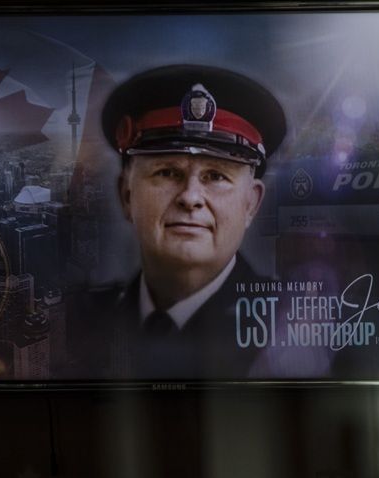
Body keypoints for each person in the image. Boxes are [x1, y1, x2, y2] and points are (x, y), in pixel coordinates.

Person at [97, 64, 286, 378]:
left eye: (216, 176)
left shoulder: (288, 325)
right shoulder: (86, 322)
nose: (190, 197)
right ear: (127, 195)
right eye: (167, 172)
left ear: (251, 203)